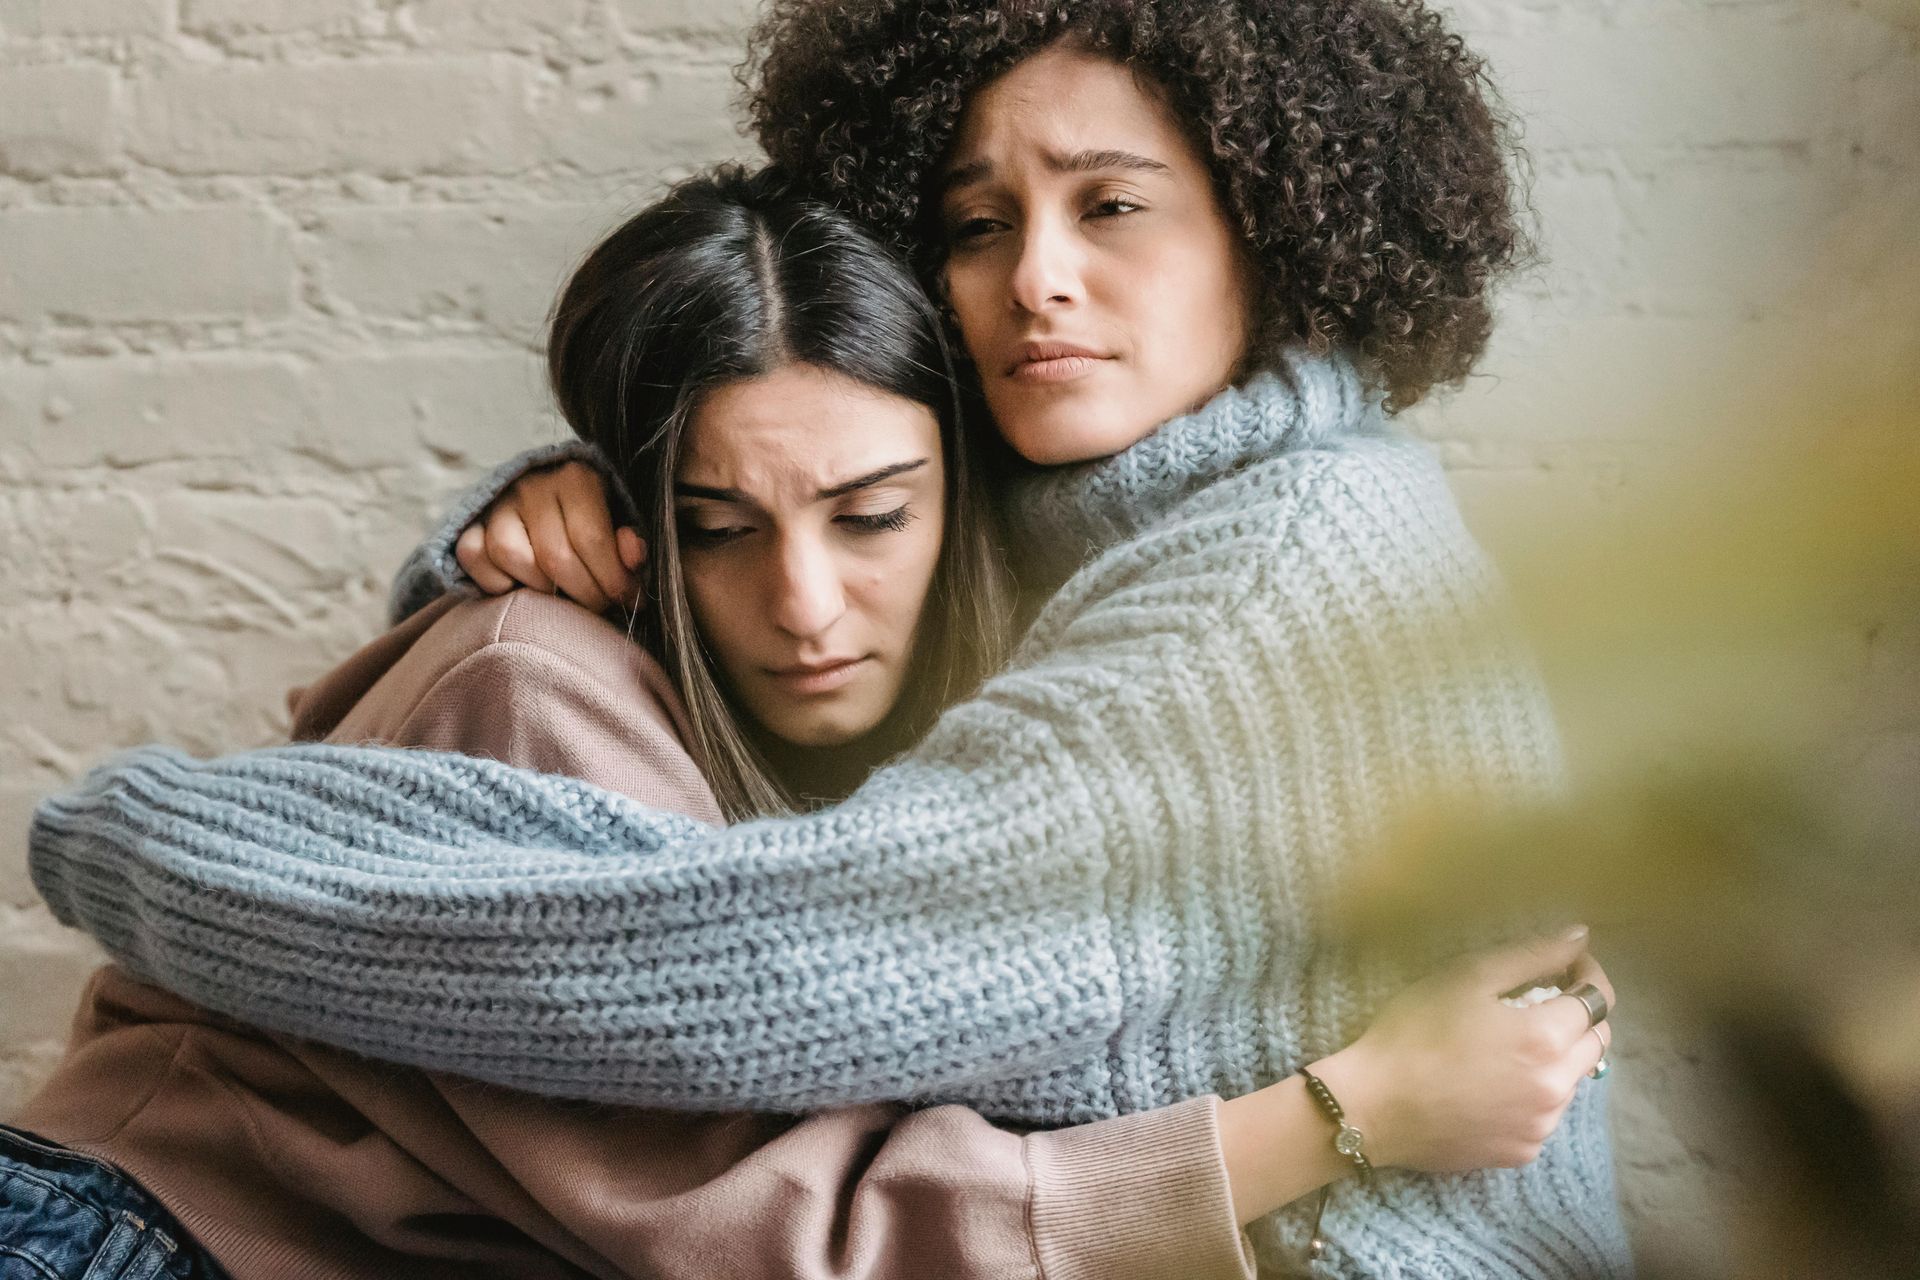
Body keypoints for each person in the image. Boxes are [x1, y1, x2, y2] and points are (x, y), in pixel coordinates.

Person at [27, 1, 1635, 1274]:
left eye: (1114, 207)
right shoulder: (1077, 508)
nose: (1039, 282)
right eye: (978, 223)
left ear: (1273, 228)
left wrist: (168, 850)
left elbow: (755, 959)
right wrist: (526, 514)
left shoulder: (1276, 562)